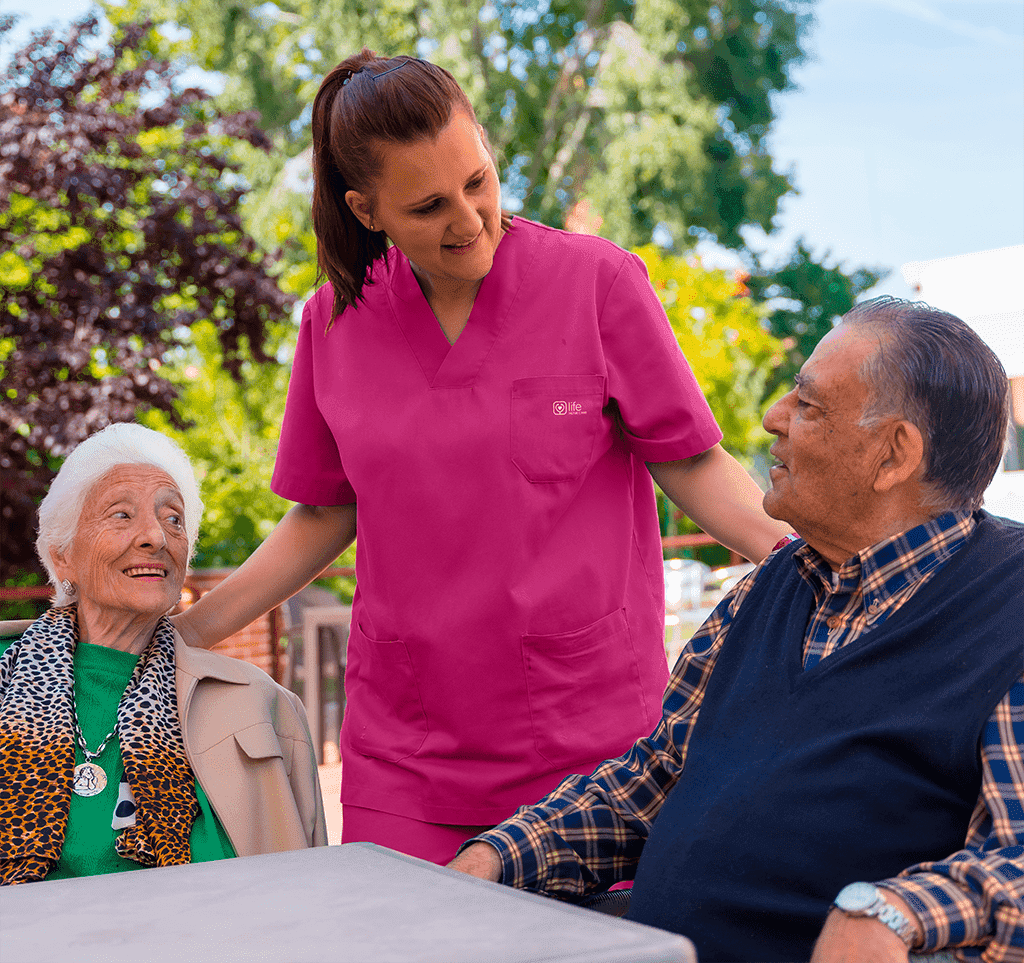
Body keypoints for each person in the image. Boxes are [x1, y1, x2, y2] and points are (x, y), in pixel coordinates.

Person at [173, 49, 791, 865]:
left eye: (479, 181)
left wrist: (812, 562)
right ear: (367, 210)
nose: (469, 218)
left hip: (594, 751)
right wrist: (182, 636)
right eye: (428, 205)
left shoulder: (598, 282)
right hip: (409, 757)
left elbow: (690, 461)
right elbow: (326, 511)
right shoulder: (332, 326)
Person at [449, 297, 1024, 963]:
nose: (772, 419)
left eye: (807, 407)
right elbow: (651, 783)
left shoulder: (1009, 610)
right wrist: (499, 855)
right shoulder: (765, 590)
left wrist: (891, 912)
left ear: (894, 455)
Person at [0, 423, 326, 884]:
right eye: (121, 515)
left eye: (174, 519)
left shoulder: (261, 706)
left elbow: (308, 896)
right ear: (63, 557)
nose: (156, 536)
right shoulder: (5, 673)